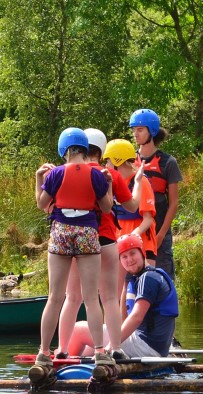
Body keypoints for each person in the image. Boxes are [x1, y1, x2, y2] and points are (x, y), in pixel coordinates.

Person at [55, 130, 144, 359]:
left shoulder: (69, 173)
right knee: (110, 298)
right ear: (101, 150)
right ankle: (114, 348)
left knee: (73, 297)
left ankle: (63, 349)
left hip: (79, 242)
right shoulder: (109, 174)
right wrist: (139, 182)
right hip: (106, 241)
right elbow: (133, 206)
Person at [33, 127, 114, 369]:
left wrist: (39, 179)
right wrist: (107, 184)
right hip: (88, 233)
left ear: (64, 150)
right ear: (85, 149)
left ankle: (44, 353)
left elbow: (42, 204)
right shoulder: (97, 175)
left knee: (55, 297)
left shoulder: (55, 174)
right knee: (91, 298)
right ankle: (100, 351)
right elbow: (107, 208)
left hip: (61, 233)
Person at [68, 234, 178, 359]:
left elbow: (136, 317)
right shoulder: (138, 278)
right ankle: (76, 360)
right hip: (151, 345)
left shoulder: (148, 278)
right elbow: (125, 319)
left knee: (78, 330)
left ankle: (63, 366)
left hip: (146, 346)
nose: (129, 260)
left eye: (132, 253)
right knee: (90, 347)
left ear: (142, 252)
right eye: (124, 256)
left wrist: (112, 346)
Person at [130, 108, 182, 279]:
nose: (135, 134)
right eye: (133, 130)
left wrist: (160, 235)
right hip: (136, 228)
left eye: (139, 130)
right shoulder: (129, 161)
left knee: (162, 279)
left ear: (151, 131)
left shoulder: (168, 162)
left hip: (159, 228)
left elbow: (173, 203)